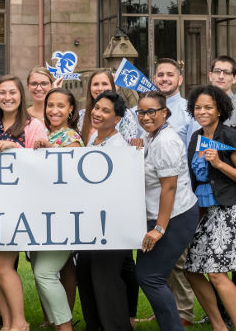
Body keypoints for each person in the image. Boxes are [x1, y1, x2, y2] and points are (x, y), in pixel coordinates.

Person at [183, 85, 236, 331]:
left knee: (216, 273)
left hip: (232, 210)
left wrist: (219, 164)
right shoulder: (197, 137)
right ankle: (219, 325)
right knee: (192, 269)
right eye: (198, 107)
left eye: (208, 107)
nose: (202, 111)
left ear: (219, 110)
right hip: (206, 213)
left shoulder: (229, 137)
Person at [0, 75, 46, 331]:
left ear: (21, 96)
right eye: (2, 92)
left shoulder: (33, 125)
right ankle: (7, 323)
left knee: (1, 264)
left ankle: (20, 322)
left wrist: (14, 150)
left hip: (19, 205)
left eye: (13, 92)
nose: (7, 97)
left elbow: (41, 162)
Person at [134, 91, 200, 331]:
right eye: (141, 111)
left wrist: (159, 229)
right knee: (149, 276)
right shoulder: (151, 135)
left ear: (164, 112)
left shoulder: (166, 141)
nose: (145, 116)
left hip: (175, 217)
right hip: (160, 216)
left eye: (151, 111)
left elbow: (169, 187)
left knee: (151, 277)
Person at [78, 73, 142, 325]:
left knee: (105, 280)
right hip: (90, 222)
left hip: (111, 225)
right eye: (96, 108)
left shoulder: (121, 149)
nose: (97, 113)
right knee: (85, 275)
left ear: (117, 119)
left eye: (105, 111)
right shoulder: (94, 139)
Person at [28, 88, 83, 331]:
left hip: (63, 215)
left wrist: (49, 148)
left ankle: (65, 326)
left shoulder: (70, 137)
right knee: (40, 271)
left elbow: (73, 171)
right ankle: (54, 322)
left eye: (61, 105)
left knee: (44, 272)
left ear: (71, 109)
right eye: (50, 105)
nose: (54, 110)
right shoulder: (45, 133)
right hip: (41, 214)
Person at [79, 70, 142, 144]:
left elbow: (130, 144)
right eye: (95, 84)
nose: (100, 88)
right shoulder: (81, 115)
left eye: (105, 84)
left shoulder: (125, 115)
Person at [208, 55, 236, 127]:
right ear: (210, 76)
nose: (221, 76)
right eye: (217, 71)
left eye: (227, 72)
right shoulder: (200, 104)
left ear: (235, 78)